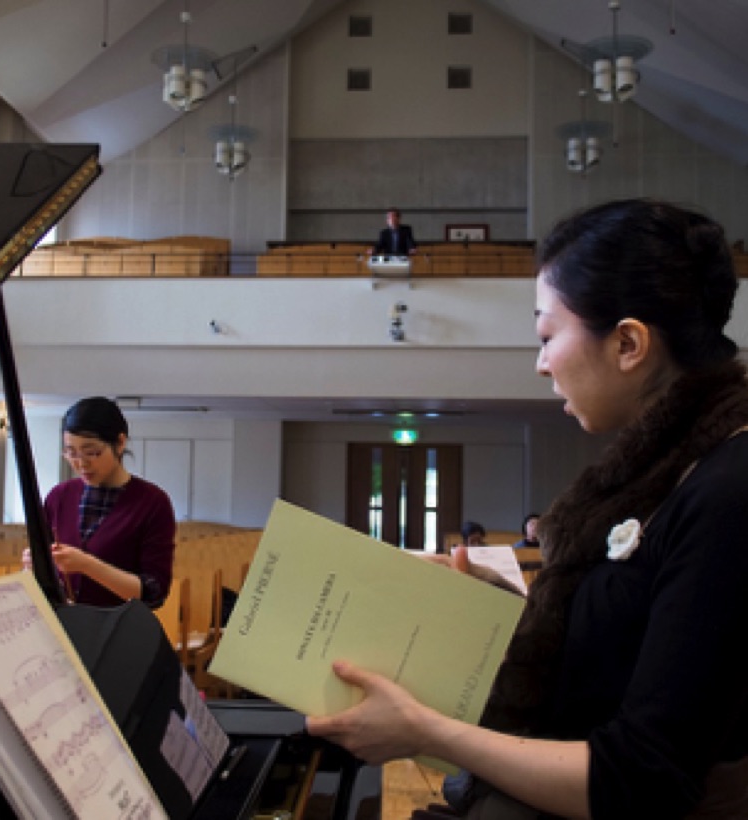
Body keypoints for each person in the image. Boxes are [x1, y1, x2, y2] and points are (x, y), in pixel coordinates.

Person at [307, 198, 748, 819]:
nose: (541, 362)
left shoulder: (730, 489)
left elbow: (644, 777)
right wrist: (509, 605)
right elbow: (624, 643)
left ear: (627, 343)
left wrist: (424, 732)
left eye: (546, 335)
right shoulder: (663, 473)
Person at [28, 396, 176, 609]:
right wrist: (36, 567)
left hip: (119, 631)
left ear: (120, 443)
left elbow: (154, 593)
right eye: (71, 453)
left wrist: (87, 565)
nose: (81, 463)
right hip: (63, 626)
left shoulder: (153, 502)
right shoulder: (59, 497)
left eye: (92, 452)